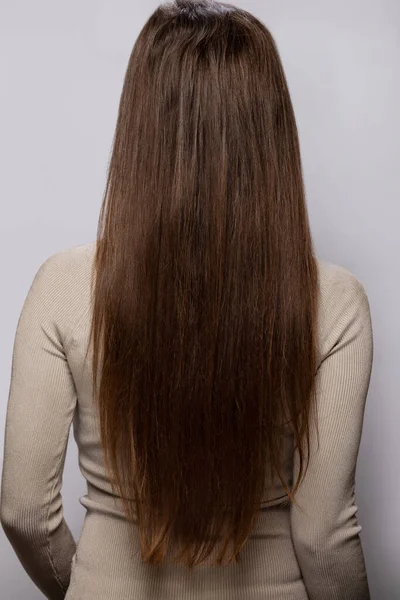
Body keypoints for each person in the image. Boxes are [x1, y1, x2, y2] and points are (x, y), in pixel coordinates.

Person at [0, 1, 373, 598]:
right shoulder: (336, 302)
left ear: (138, 126)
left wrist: (93, 585)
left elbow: (22, 508)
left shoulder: (61, 285)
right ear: (271, 133)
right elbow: (324, 533)